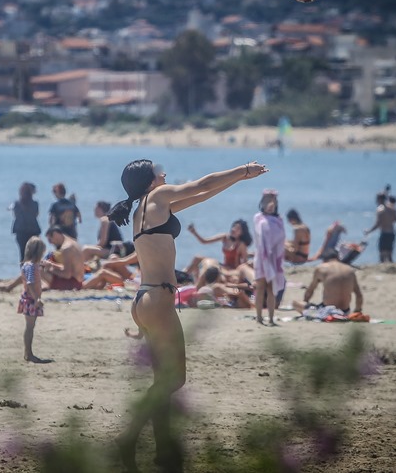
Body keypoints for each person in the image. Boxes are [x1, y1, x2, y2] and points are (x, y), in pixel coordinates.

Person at [107, 158, 268, 472]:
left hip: (145, 299)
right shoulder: (157, 198)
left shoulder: (145, 206)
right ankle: (127, 438)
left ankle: (163, 451)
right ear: (150, 180)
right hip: (157, 299)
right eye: (159, 171)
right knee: (174, 379)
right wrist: (241, 170)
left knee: (162, 381)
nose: (164, 173)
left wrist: (236, 181)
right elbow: (202, 184)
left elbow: (201, 195)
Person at [293, 248, 364, 315]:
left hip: (327, 311)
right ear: (338, 258)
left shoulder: (321, 268)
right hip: (345, 311)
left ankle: (312, 314)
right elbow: (359, 295)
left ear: (324, 260)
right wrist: (357, 311)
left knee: (296, 304)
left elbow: (310, 291)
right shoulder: (350, 270)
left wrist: (305, 302)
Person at [253, 189, 286, 325]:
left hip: (274, 259)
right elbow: (260, 236)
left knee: (271, 289)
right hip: (261, 258)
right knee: (260, 287)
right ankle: (259, 317)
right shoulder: (258, 218)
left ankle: (271, 318)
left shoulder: (279, 220)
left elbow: (281, 237)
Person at [17, 236, 52, 363]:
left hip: (27, 298)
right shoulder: (31, 267)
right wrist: (37, 299)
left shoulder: (27, 265)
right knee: (30, 327)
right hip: (31, 299)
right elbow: (31, 283)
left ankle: (28, 352)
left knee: (30, 326)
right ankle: (28, 353)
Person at [184, 219, 252, 276]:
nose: (233, 229)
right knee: (197, 258)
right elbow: (204, 241)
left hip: (232, 271)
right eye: (234, 226)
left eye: (238, 229)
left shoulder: (241, 244)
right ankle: (184, 278)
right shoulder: (225, 237)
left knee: (207, 267)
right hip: (223, 266)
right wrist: (194, 232)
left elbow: (245, 264)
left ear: (242, 233)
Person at [41, 225, 84, 290]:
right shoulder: (73, 242)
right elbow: (70, 268)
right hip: (79, 281)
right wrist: (52, 265)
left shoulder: (66, 248)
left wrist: (51, 269)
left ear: (55, 234)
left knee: (39, 270)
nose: (51, 243)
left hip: (73, 284)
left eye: (50, 240)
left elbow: (67, 274)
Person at [364, 187, 396, 263]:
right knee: (390, 254)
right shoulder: (392, 208)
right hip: (392, 232)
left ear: (379, 199)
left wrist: (369, 231)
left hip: (384, 233)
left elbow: (378, 224)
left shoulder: (380, 210)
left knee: (382, 254)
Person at [10, 182, 42, 264]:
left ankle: (24, 273)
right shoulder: (35, 204)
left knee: (23, 253)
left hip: (21, 230)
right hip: (33, 230)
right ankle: (33, 272)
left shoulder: (17, 204)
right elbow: (36, 214)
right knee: (34, 254)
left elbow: (15, 215)